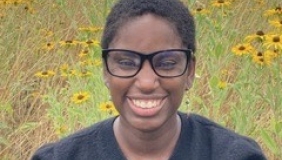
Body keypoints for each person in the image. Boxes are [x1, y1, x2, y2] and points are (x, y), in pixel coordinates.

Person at [31, 0, 267, 159]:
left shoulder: (234, 155)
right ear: (105, 70)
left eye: (166, 63)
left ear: (189, 72)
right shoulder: (62, 157)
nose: (146, 82)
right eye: (126, 62)